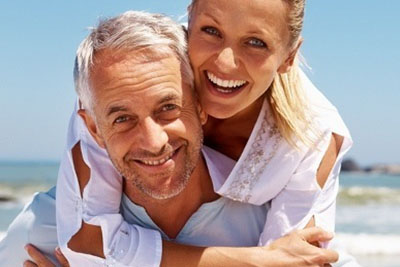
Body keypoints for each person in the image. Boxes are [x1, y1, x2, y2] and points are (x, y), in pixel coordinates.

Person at [0, 11, 342, 267]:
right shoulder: (39, 235)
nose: (152, 141)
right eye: (122, 119)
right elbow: (88, 244)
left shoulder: (276, 207)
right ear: (93, 128)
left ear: (201, 107)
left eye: (167, 108)